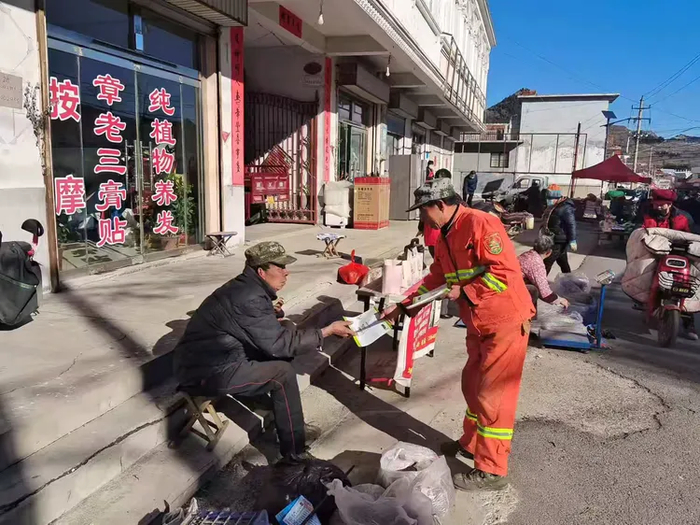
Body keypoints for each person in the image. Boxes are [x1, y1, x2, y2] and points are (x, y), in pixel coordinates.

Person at [384, 178, 535, 491]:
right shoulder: (444, 236)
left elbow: (504, 275)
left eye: (424, 211)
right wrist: (405, 306)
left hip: (504, 321)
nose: (422, 218)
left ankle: (492, 469)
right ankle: (471, 443)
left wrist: (465, 292)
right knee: (472, 387)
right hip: (478, 325)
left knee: (494, 395)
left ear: (441, 205)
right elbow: (436, 278)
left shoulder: (481, 224)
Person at [172, 241, 355, 459]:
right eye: (279, 268)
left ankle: (285, 419)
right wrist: (326, 331)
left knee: (286, 330)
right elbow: (277, 344)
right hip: (207, 372)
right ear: (261, 271)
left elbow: (252, 325)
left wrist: (272, 313)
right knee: (283, 374)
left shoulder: (246, 288)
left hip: (223, 357)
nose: (286, 272)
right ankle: (294, 455)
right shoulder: (248, 297)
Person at [642, 189, 696, 340]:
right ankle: (648, 308)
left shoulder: (684, 218)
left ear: (670, 204)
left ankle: (688, 323)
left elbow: (693, 236)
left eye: (662, 205)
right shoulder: (648, 215)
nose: (658, 208)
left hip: (682, 254)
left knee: (689, 283)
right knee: (646, 275)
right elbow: (644, 232)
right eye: (656, 205)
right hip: (656, 253)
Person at [518, 236, 570, 316]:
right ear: (549, 252)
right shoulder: (537, 263)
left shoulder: (527, 254)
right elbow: (545, 293)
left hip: (507, 281)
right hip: (510, 287)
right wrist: (560, 300)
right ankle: (529, 316)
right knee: (533, 290)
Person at [542, 198, 578, 275]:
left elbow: (571, 224)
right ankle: (569, 280)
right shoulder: (554, 207)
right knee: (562, 261)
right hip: (554, 237)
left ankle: (540, 282)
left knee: (547, 262)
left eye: (551, 197)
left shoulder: (566, 208)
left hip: (558, 239)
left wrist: (572, 240)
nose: (549, 200)